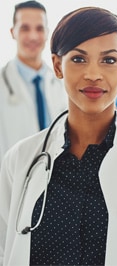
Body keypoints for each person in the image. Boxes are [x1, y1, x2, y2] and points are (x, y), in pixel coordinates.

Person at [0, 6, 117, 266]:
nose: (93, 74)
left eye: (109, 60)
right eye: (78, 59)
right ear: (57, 65)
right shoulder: (18, 162)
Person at [0, 0, 67, 165]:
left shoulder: (61, 84)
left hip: (55, 182)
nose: (33, 36)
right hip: (10, 182)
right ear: (12, 32)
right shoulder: (3, 83)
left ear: (47, 33)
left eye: (39, 28)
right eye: (25, 28)